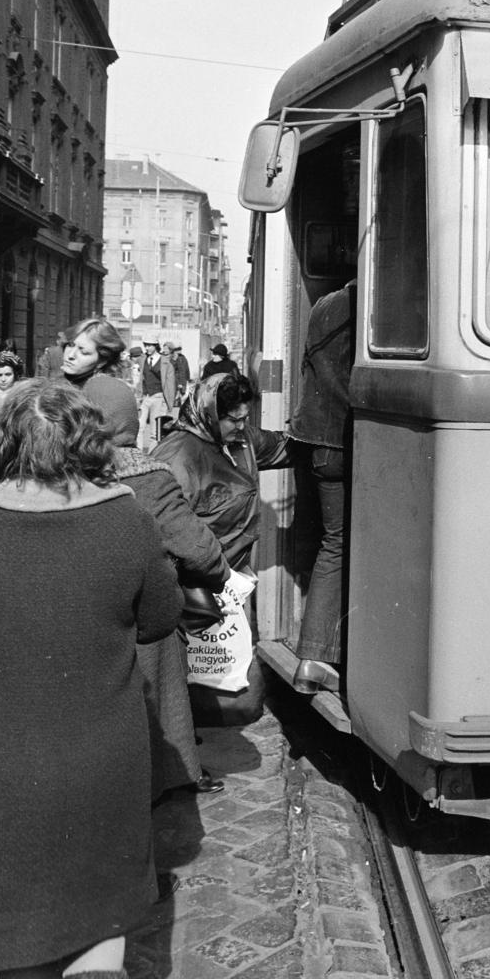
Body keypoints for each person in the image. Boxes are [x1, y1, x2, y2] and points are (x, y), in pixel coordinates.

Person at [0, 380, 181, 979]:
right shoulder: (122, 520)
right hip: (103, 753)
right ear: (87, 440)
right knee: (98, 908)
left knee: (20, 935)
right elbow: (159, 618)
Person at [91, 382, 231, 799]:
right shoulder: (147, 476)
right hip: (137, 619)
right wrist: (218, 576)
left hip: (75, 615)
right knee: (164, 652)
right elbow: (199, 552)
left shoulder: (60, 470)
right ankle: (174, 770)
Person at [152, 373, 294, 724]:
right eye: (234, 419)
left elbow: (282, 446)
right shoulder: (178, 456)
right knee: (185, 684)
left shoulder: (241, 440)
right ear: (210, 414)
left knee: (234, 696)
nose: (241, 426)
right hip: (192, 585)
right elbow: (164, 527)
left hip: (230, 582)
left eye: (246, 418)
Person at [289, 280, 356, 692]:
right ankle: (317, 655)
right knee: (343, 543)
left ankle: (314, 658)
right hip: (347, 442)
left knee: (334, 542)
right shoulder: (377, 305)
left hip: (316, 443)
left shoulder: (325, 305)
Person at [139, 342, 166, 447]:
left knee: (155, 430)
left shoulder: (164, 361)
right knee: (139, 427)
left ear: (155, 346)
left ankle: (152, 456)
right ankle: (138, 455)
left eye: (149, 345)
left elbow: (169, 381)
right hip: (145, 396)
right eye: (145, 345)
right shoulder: (143, 359)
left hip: (158, 396)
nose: (147, 348)